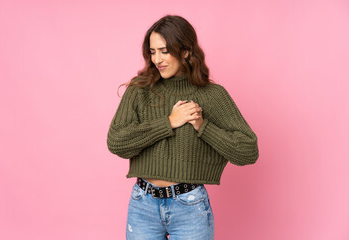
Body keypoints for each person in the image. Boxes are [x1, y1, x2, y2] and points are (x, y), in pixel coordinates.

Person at [107, 15, 259, 240]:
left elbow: (248, 151)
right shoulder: (140, 90)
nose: (157, 59)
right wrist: (168, 122)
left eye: (164, 51)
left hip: (189, 206)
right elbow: (117, 142)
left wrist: (202, 126)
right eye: (152, 51)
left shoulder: (212, 95)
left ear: (185, 51)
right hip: (143, 205)